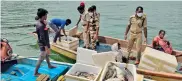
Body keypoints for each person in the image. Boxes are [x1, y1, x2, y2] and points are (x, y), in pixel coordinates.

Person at [34, 8, 56, 76]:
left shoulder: (42, 22)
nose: (47, 16)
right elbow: (42, 37)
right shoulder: (40, 25)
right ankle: (35, 72)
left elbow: (44, 30)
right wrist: (46, 46)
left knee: (47, 55)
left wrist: (47, 27)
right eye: (46, 15)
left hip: (46, 41)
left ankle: (49, 65)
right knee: (41, 58)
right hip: (43, 43)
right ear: (43, 16)